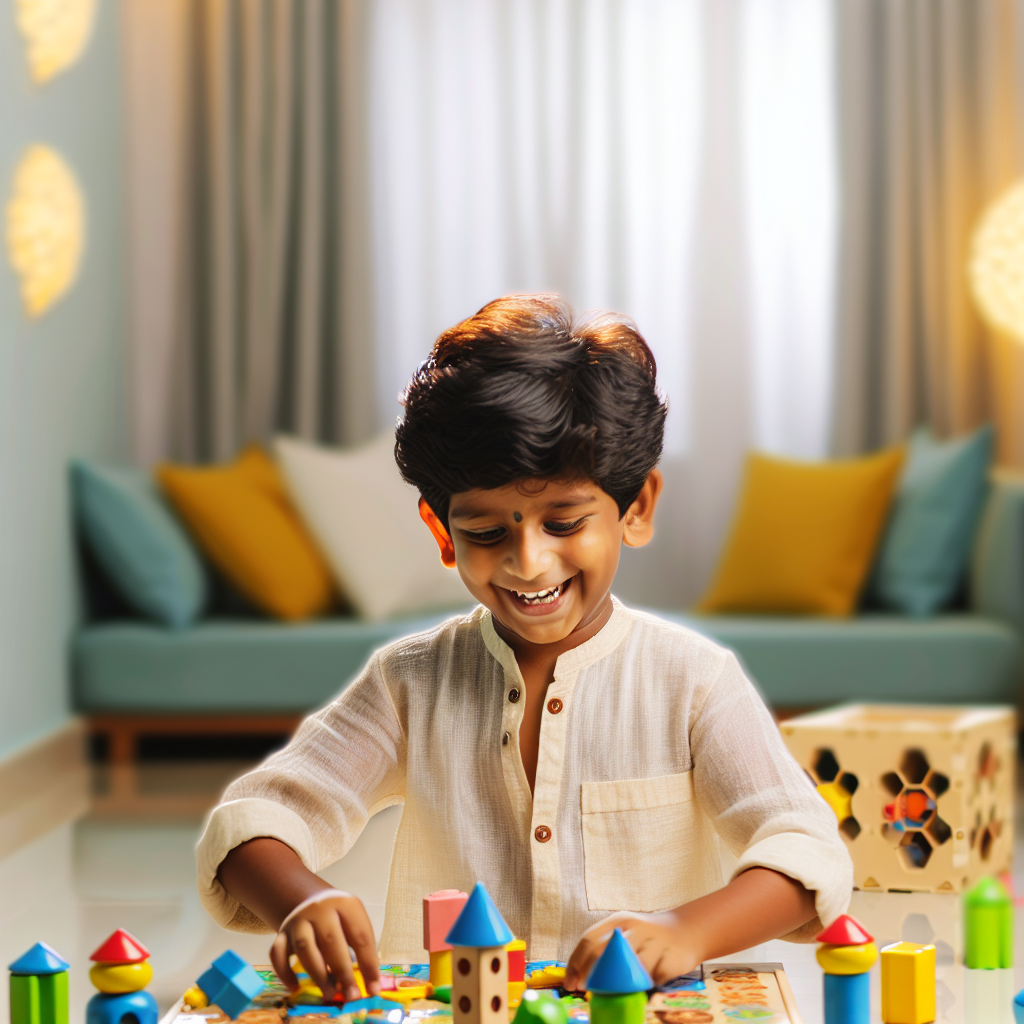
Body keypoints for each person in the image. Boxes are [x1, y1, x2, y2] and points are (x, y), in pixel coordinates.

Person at [197, 294, 852, 1004]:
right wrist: (300, 900)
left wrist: (685, 930)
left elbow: (806, 848)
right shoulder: (409, 682)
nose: (529, 562)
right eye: (486, 533)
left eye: (564, 522)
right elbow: (255, 819)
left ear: (636, 508)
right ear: (442, 532)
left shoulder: (692, 680)